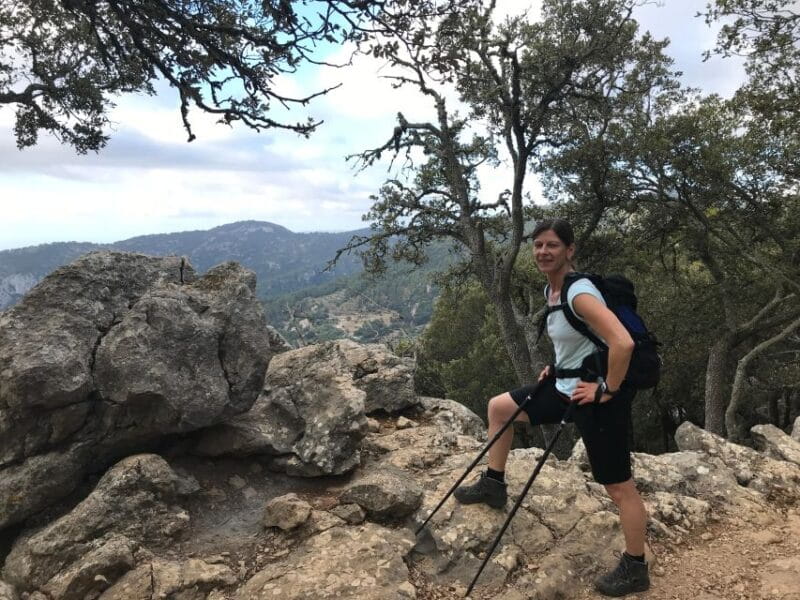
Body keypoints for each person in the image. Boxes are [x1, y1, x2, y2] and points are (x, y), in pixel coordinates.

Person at [453, 218, 650, 597]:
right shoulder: (552, 290)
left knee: (618, 486)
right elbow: (579, 342)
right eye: (538, 245)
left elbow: (622, 343)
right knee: (499, 408)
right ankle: (494, 484)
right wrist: (558, 367)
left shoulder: (579, 293)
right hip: (564, 388)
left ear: (570, 250)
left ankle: (635, 567)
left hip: (595, 399)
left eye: (552, 246)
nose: (543, 252)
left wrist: (606, 390)